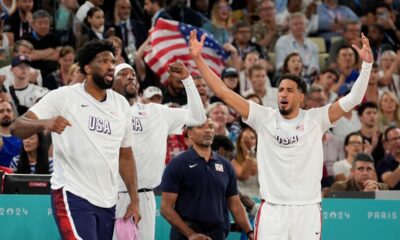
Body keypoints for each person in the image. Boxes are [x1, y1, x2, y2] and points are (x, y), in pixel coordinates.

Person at [188, 30, 373, 239]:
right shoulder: (263, 116)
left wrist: (366, 66)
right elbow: (222, 92)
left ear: (301, 97)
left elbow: (354, 98)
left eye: (289, 90)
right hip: (272, 211)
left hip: (307, 209)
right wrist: (198, 58)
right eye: (281, 90)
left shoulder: (316, 118)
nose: (283, 94)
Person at [9, 40, 140, 239]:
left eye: (112, 62)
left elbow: (126, 155)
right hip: (72, 193)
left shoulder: (121, 104)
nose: (111, 66)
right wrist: (44, 123)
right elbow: (16, 127)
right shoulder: (64, 96)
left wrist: (135, 199)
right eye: (103, 61)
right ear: (87, 68)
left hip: (107, 200)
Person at [112, 62, 206, 240]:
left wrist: (187, 79)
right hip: (109, 195)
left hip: (145, 197)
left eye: (132, 73)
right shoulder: (103, 112)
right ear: (110, 82)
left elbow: (198, 117)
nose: (130, 76)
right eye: (122, 74)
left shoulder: (156, 112)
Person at [160, 117, 254, 240]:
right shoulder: (177, 164)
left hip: (218, 235)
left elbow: (235, 204)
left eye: (210, 126)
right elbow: (165, 208)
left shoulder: (226, 165)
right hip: (185, 236)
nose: (207, 130)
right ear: (189, 133)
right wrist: (190, 234)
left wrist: (250, 232)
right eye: (201, 126)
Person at [0, 99, 21, 167]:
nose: (5, 114)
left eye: (8, 110)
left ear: (14, 115)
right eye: (1, 111)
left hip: (18, 176)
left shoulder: (23, 137)